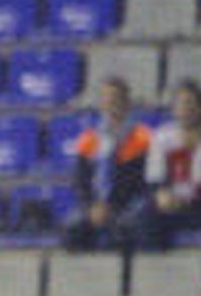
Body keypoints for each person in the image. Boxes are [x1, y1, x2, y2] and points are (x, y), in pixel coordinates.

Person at [127, 78, 201, 250]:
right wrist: (162, 194)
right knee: (142, 212)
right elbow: (154, 178)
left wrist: (189, 195)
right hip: (173, 202)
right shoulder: (163, 136)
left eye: (190, 104)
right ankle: (152, 269)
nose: (185, 109)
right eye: (180, 104)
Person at [64, 76, 152, 251]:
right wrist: (91, 206)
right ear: (101, 104)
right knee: (73, 225)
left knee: (124, 226)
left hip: (128, 203)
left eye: (117, 99)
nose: (112, 104)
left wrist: (110, 206)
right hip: (95, 207)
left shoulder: (143, 138)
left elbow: (141, 182)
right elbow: (81, 181)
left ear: (127, 103)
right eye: (107, 100)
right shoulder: (88, 139)